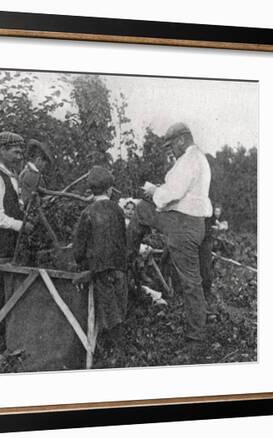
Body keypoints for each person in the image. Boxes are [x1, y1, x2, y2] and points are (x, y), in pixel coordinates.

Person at [133, 122, 212, 341]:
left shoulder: (188, 160)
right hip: (191, 223)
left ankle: (197, 334)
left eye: (171, 146)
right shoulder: (199, 159)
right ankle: (130, 254)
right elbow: (179, 193)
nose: (171, 151)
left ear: (181, 140)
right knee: (194, 279)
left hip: (183, 225)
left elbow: (172, 193)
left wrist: (153, 191)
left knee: (190, 281)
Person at [72, 166, 128, 334]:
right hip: (119, 265)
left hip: (100, 268)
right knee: (119, 301)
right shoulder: (118, 210)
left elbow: (79, 246)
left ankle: (110, 340)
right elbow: (123, 238)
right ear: (109, 190)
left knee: (107, 306)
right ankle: (120, 337)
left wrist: (80, 261)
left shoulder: (87, 212)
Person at [0, 131, 34, 260]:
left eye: (21, 153)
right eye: (16, 152)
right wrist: (22, 226)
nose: (20, 157)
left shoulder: (11, 176)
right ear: (3, 150)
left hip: (10, 247)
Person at [18, 139, 54, 206]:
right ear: (39, 160)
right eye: (44, 164)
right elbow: (40, 196)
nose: (44, 168)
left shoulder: (26, 172)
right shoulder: (32, 174)